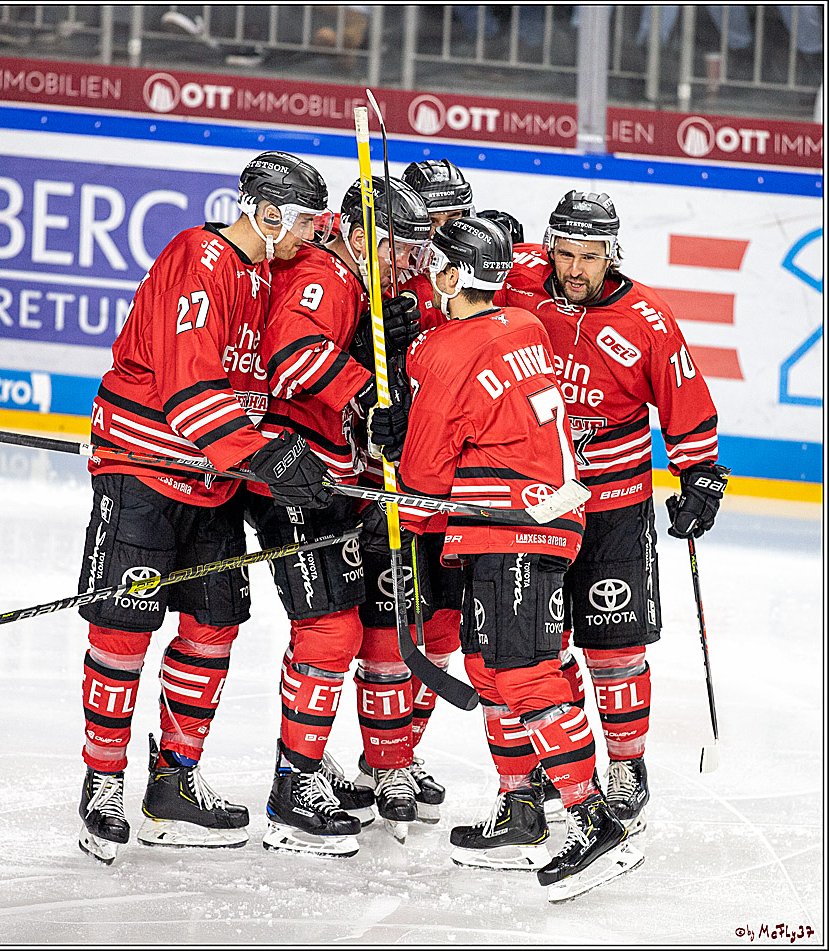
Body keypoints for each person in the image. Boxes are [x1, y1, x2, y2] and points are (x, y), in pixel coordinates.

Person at [371, 216, 644, 901]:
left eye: (436, 263)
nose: (429, 273)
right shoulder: (523, 326)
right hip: (542, 521)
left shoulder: (446, 351)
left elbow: (427, 480)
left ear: (455, 274)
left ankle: (589, 819)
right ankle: (521, 808)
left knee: (523, 674)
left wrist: (394, 444)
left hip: (511, 529)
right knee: (489, 667)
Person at [75, 151, 337, 864]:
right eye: (304, 220)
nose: (313, 234)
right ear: (268, 211)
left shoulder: (265, 273)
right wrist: (267, 456)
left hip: (213, 482)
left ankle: (174, 782)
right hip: (146, 474)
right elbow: (191, 394)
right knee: (123, 635)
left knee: (213, 626)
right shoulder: (200, 257)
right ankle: (102, 783)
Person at [492, 190, 728, 836]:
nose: (574, 268)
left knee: (614, 648)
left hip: (614, 508)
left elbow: (684, 397)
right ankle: (562, 758)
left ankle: (626, 764)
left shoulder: (647, 318)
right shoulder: (519, 280)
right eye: (564, 252)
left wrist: (700, 475)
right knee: (542, 645)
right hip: (536, 504)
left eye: (589, 256)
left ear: (612, 254)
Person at [249, 175, 430, 856]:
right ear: (360, 236)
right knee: (328, 631)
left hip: (327, 478)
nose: (408, 267)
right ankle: (291, 790)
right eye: (399, 249)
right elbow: (290, 360)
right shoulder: (325, 275)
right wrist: (365, 390)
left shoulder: (358, 283)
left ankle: (304, 759)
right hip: (292, 478)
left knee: (331, 629)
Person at [347, 159, 476, 838]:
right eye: (433, 219)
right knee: (385, 631)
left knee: (443, 629)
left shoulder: (471, 280)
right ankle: (385, 759)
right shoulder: (368, 279)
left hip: (456, 488)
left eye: (456, 219)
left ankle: (400, 750)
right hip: (387, 482)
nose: (443, 234)